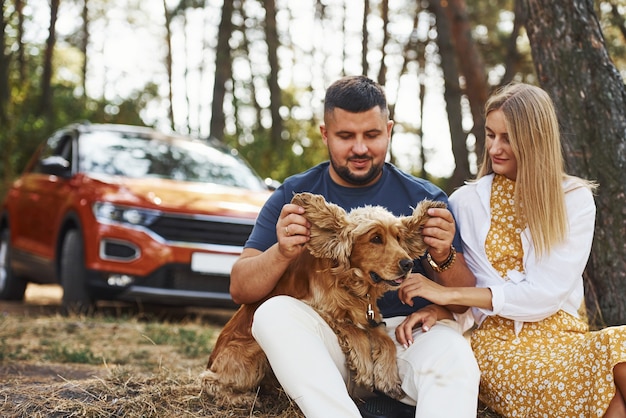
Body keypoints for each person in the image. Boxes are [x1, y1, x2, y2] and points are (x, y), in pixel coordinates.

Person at [229, 75, 480, 418]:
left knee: (455, 355)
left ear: (388, 130)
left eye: (372, 135)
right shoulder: (295, 195)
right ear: (325, 134)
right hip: (329, 342)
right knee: (272, 314)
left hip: (405, 337)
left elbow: (467, 298)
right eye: (346, 136)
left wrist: (442, 255)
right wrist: (282, 252)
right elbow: (241, 288)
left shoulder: (426, 198)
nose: (360, 148)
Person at [398, 82, 626, 417]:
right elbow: (462, 287)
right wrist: (445, 306)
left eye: (507, 138)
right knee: (614, 391)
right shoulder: (465, 202)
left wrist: (447, 297)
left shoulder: (573, 198)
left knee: (619, 348)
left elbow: (543, 294)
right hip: (498, 345)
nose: (494, 148)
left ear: (536, 139)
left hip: (564, 334)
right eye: (490, 135)